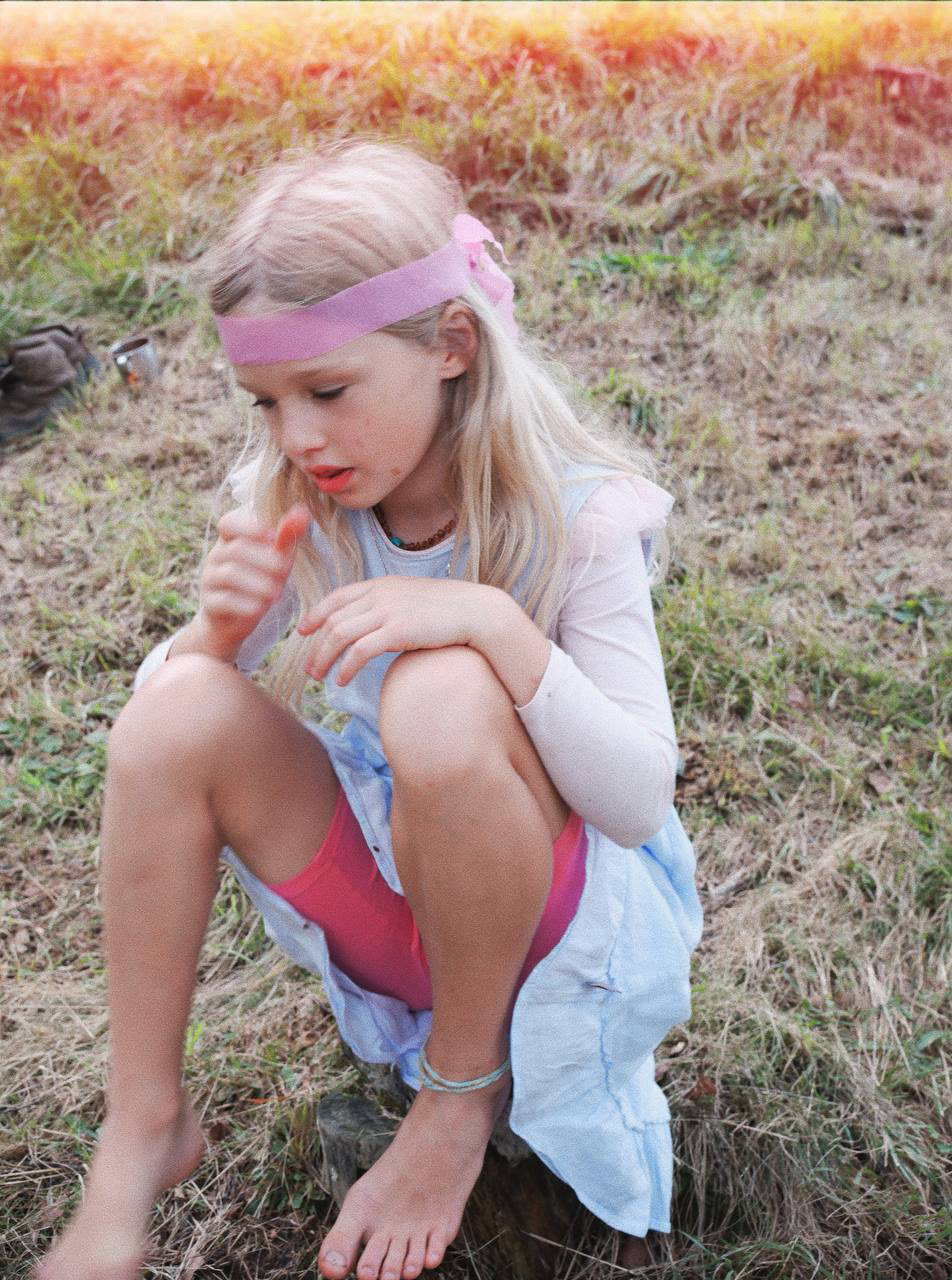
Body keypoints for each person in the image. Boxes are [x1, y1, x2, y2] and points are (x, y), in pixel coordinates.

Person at [34, 138, 703, 1280]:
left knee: (443, 685)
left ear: (451, 343)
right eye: (268, 402)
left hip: (548, 933)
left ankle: (459, 1094)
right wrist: (212, 634)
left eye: (328, 391)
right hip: (398, 919)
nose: (297, 436)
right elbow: (155, 750)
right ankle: (143, 1120)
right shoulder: (301, 503)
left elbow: (639, 799)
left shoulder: (578, 520)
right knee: (180, 704)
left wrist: (491, 624)